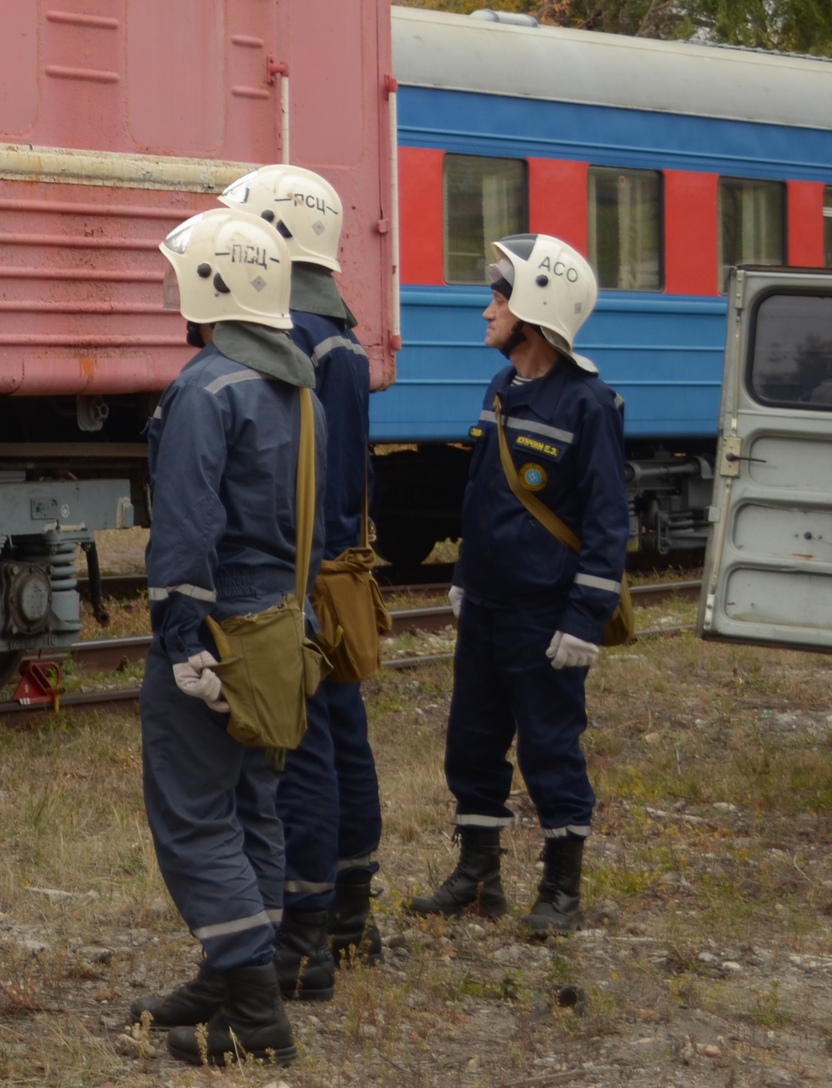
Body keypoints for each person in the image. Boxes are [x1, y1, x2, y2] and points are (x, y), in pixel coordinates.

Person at [128, 206, 326, 1068]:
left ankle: (254, 1013)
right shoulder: (297, 384)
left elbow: (183, 526)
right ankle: (239, 976)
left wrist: (180, 636)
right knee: (254, 807)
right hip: (281, 622)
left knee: (193, 814)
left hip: (218, 619)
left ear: (209, 289)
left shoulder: (206, 387)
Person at [409, 234, 623, 938]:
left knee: (549, 748)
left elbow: (606, 522)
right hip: (490, 610)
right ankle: (479, 878)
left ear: (534, 310)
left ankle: (562, 889)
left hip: (545, 615)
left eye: (497, 299)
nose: (485, 313)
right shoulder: (503, 388)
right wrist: (466, 578)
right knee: (470, 743)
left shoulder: (588, 403)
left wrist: (585, 620)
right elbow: (484, 498)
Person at [221, 165, 383, 996]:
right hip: (334, 563)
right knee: (341, 736)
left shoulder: (298, 337)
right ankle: (351, 912)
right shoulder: (341, 334)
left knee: (304, 745)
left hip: (300, 568)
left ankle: (306, 933)